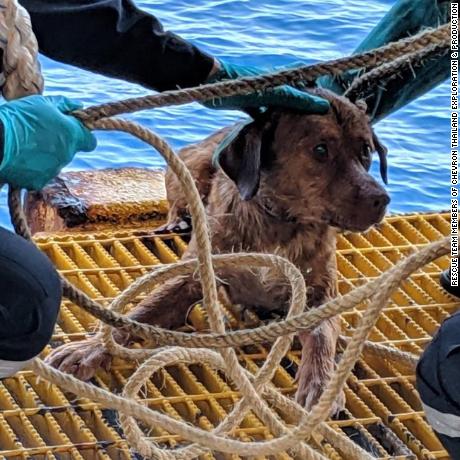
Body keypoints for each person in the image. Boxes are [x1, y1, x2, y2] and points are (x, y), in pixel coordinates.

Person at [0, 1, 457, 457]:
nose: (372, 188)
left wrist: (207, 73)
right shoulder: (234, 201)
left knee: (29, 301)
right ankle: (177, 216)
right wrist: (109, 341)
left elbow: (76, 14)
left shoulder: (317, 223)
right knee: (28, 309)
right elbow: (188, 283)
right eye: (322, 153)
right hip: (232, 184)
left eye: (363, 156)